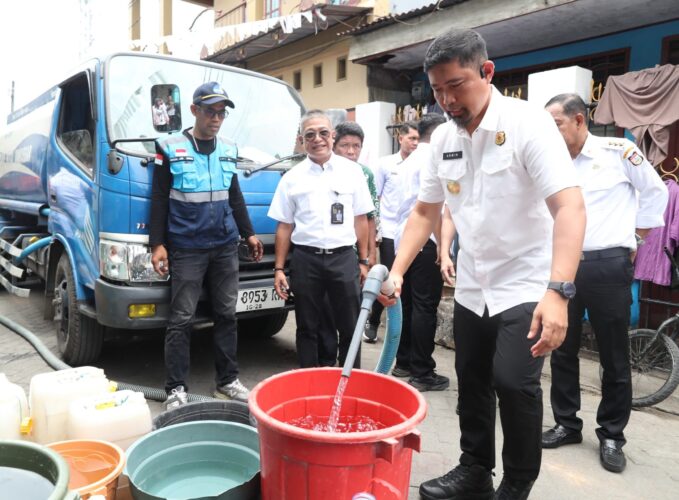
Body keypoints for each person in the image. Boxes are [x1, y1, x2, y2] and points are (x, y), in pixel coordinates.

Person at [380, 29, 586, 500]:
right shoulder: (442, 143)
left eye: (456, 85)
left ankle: (516, 483)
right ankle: (475, 469)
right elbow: (424, 212)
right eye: (437, 90)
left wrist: (558, 291)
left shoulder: (527, 124)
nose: (447, 100)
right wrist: (397, 269)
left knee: (513, 383)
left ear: (486, 72)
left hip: (528, 280)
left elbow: (569, 207)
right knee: (471, 381)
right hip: (474, 281)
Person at [542, 93, 668, 473]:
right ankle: (566, 423)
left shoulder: (618, 151)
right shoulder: (550, 161)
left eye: (556, 124)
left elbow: (655, 192)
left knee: (613, 356)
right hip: (563, 268)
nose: (550, 133)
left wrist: (638, 240)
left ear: (579, 120)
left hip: (607, 265)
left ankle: (612, 433)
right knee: (561, 348)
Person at [150, 81, 263, 409]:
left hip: (225, 245)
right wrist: (158, 244)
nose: (216, 118)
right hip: (186, 247)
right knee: (181, 318)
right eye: (210, 111)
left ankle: (227, 381)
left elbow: (234, 195)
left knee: (227, 314)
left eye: (221, 113)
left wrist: (249, 233)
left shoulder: (228, 148)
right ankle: (175, 389)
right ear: (194, 110)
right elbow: (159, 198)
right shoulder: (170, 147)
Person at [268, 110, 374, 368]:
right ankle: (310, 381)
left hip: (343, 258)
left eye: (323, 133)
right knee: (307, 326)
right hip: (306, 260)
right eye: (310, 134)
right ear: (302, 140)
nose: (318, 139)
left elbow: (362, 219)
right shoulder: (291, 178)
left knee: (350, 326)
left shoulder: (352, 172)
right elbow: (284, 226)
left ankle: (350, 381)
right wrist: (279, 269)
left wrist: (364, 261)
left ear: (332, 135)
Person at [315, 121, 381, 366]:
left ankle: (350, 367)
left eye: (357, 146)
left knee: (350, 313)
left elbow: (371, 215)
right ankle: (326, 363)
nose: (351, 151)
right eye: (345, 146)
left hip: (354, 256)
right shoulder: (321, 168)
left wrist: (370, 254)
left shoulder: (364, 174)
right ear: (334, 143)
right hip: (326, 254)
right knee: (325, 312)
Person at [391, 113, 449, 390]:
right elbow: (432, 209)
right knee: (425, 306)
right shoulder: (432, 159)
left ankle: (404, 361)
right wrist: (443, 247)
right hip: (426, 241)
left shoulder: (409, 159)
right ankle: (422, 371)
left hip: (405, 239)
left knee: (410, 305)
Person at [365, 122, 419, 343]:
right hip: (389, 232)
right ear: (400, 138)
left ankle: (400, 334)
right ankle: (374, 321)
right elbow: (374, 199)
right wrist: (375, 231)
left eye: (418, 139)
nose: (415, 143)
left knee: (407, 284)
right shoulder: (385, 164)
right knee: (387, 282)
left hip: (413, 234)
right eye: (411, 138)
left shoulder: (422, 164)